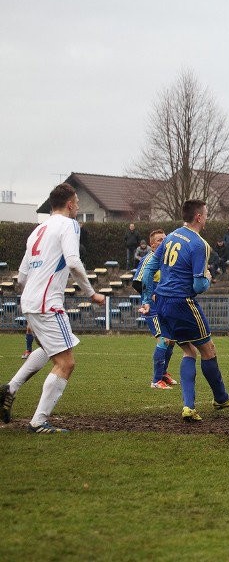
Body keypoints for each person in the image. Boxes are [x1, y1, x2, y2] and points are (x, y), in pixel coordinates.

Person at [0, 183, 106, 433]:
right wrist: (91, 293)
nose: (78, 207)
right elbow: (74, 262)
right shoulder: (69, 225)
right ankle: (38, 421)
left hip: (31, 301)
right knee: (66, 363)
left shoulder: (37, 230)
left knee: (49, 350)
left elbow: (22, 276)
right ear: (70, 204)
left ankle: (10, 388)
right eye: (77, 202)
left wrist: (31, 303)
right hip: (48, 303)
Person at [141, 199, 229, 422]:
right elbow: (198, 286)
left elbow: (150, 267)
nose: (207, 217)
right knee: (208, 350)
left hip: (162, 301)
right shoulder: (199, 244)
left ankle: (189, 407)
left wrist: (147, 297)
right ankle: (221, 398)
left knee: (189, 351)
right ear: (199, 217)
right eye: (206, 214)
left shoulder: (171, 236)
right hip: (182, 303)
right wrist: (207, 279)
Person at [133, 228, 178, 389]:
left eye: (165, 239)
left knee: (171, 341)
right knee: (163, 340)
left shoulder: (167, 259)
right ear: (152, 245)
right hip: (152, 308)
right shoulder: (149, 258)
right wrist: (150, 295)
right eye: (160, 240)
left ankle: (164, 373)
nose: (164, 242)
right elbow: (137, 281)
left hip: (165, 305)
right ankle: (156, 380)